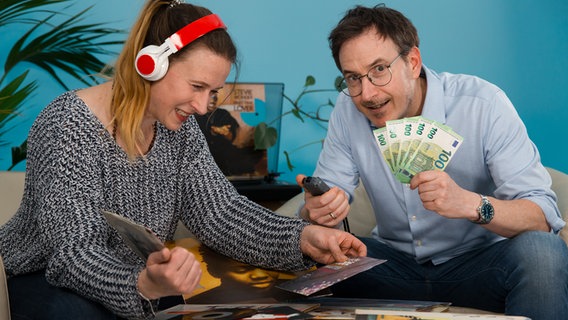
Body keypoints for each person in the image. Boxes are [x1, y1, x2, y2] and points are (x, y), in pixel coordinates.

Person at [0, 1, 366, 319]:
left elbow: (219, 214)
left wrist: (303, 238)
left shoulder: (180, 131)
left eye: (213, 92)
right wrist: (142, 284)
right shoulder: (69, 124)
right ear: (150, 65)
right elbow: (74, 253)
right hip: (41, 277)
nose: (203, 106)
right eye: (196, 87)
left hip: (139, 280)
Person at [296, 4, 568, 320]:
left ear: (412, 62)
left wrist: (470, 204)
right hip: (391, 268)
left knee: (543, 253)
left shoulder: (483, 105)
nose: (367, 93)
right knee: (311, 249)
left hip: (479, 266)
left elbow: (542, 218)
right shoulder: (347, 110)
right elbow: (326, 198)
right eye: (353, 78)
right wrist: (315, 210)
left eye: (379, 69)